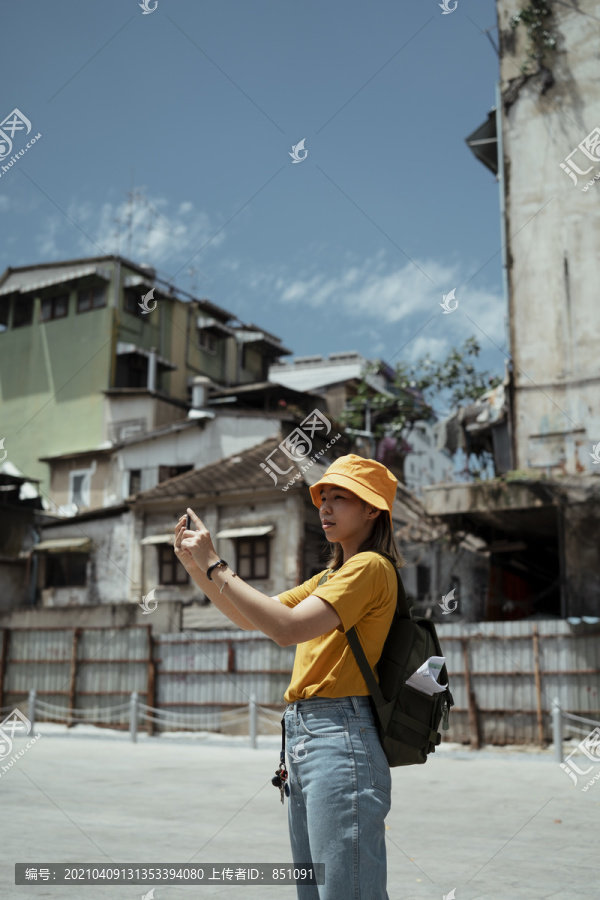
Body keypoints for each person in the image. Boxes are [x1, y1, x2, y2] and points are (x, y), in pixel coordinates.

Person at [173, 453, 405, 900]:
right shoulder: (331, 575)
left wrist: (216, 563)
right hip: (307, 737)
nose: (326, 508)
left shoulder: (369, 568)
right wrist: (195, 564)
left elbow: (286, 629)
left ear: (372, 509)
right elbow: (249, 618)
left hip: (341, 737)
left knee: (346, 892)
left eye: (340, 498)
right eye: (323, 498)